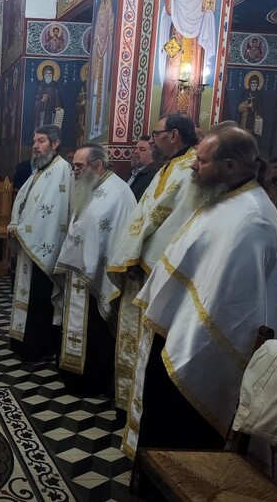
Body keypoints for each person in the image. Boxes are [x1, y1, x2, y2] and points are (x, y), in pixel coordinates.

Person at [123, 124, 277, 466]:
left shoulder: (252, 220)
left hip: (200, 351)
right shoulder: (222, 199)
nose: (193, 166)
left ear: (230, 166)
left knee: (183, 442)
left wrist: (184, 336)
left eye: (202, 160)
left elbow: (232, 306)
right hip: (177, 334)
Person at [107, 113, 198, 414]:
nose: (152, 139)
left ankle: (139, 408)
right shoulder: (169, 167)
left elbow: (175, 223)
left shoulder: (190, 170)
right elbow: (145, 215)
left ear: (173, 135)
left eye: (156, 134)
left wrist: (136, 257)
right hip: (140, 266)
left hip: (156, 271)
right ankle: (128, 403)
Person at [53, 143, 136, 396]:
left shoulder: (118, 193)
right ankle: (73, 375)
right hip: (79, 271)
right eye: (74, 166)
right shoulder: (91, 187)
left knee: (96, 331)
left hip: (98, 277)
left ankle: (92, 381)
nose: (75, 171)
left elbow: (113, 236)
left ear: (97, 165)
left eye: (79, 166)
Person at [7, 125, 72, 361]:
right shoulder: (41, 169)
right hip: (30, 242)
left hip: (44, 247)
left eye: (41, 141)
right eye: (34, 141)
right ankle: (22, 342)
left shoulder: (61, 170)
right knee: (27, 292)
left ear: (55, 144)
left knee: (39, 297)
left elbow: (52, 213)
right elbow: (25, 202)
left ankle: (38, 348)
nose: (35, 146)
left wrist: (22, 230)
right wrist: (16, 225)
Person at [158, 0, 216, 118]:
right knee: (173, 74)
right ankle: (169, 115)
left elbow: (208, 9)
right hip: (178, 36)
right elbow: (170, 10)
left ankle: (189, 117)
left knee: (194, 77)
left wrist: (209, 11)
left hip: (195, 41)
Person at [90, 0, 115, 138]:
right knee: (94, 89)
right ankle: (94, 128)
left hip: (105, 49)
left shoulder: (110, 5)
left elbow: (110, 25)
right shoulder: (100, 7)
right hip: (98, 46)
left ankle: (99, 127)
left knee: (102, 84)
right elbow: (99, 27)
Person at [126, 135, 160, 201]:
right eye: (135, 148)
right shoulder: (130, 172)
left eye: (142, 149)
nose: (135, 151)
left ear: (153, 154)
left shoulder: (154, 176)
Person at [237, 73, 264, 140]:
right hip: (246, 119)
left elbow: (261, 109)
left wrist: (259, 115)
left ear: (258, 84)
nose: (253, 85)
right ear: (249, 83)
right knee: (244, 137)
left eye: (255, 83)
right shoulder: (246, 93)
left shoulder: (259, 94)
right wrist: (247, 105)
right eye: (252, 83)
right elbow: (240, 108)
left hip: (255, 120)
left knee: (254, 138)